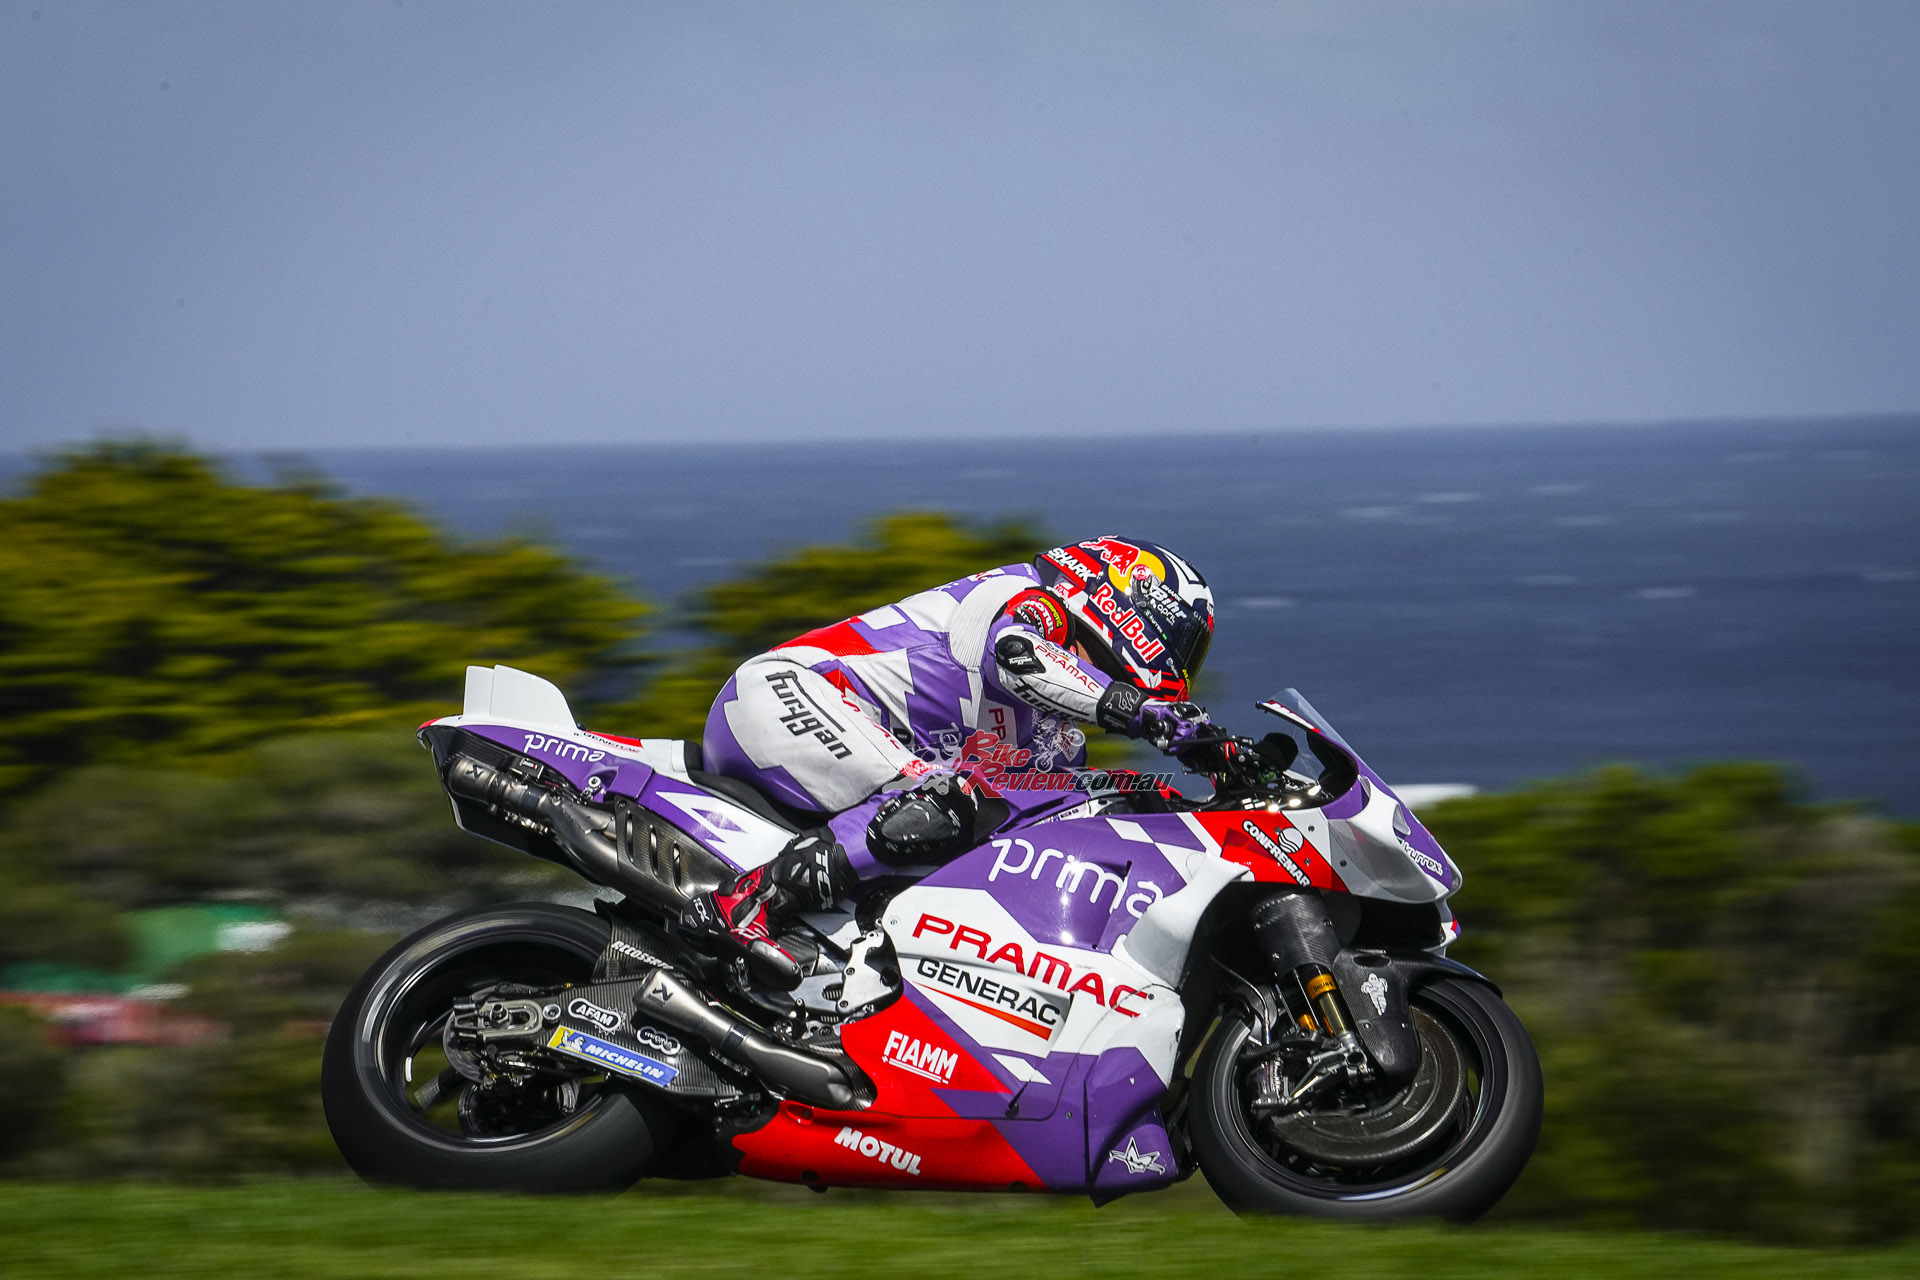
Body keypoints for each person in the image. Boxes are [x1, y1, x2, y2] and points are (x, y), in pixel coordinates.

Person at [682, 536, 1223, 990]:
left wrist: (1180, 801)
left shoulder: (1056, 732)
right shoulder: (1034, 603)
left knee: (987, 818)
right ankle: (744, 904)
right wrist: (1141, 711)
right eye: (1185, 642)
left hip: (835, 746)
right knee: (952, 800)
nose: (1184, 662)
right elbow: (1017, 656)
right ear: (1132, 605)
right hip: (781, 695)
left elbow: (1050, 809)